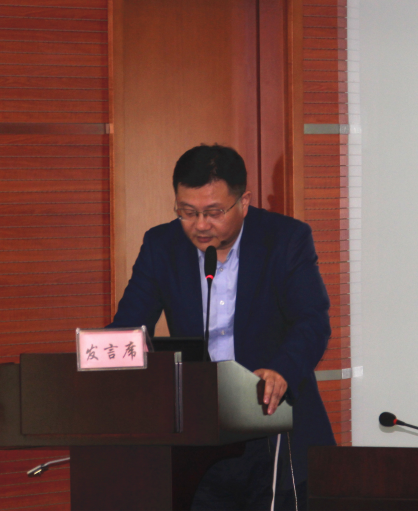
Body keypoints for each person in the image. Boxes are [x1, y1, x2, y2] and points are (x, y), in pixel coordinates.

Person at [109, 144, 335, 510]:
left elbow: (312, 321)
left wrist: (282, 370)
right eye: (187, 212)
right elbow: (128, 328)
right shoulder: (161, 245)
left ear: (243, 201)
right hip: (200, 439)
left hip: (274, 429)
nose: (200, 225)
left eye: (214, 212)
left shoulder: (285, 239)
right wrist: (99, 360)